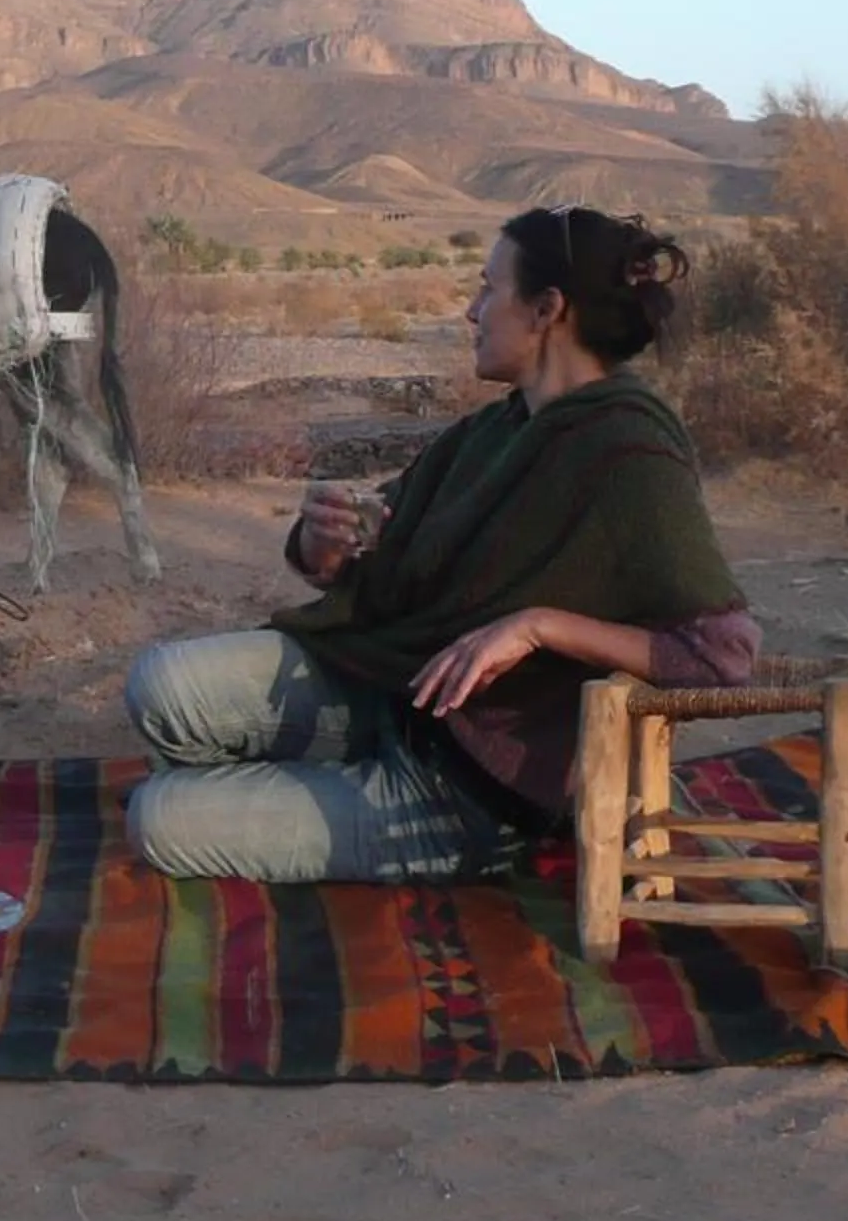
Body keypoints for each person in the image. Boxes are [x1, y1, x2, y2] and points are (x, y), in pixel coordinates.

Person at [124, 205, 760, 883]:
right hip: (397, 692)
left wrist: (539, 626)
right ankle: (306, 778)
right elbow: (379, 548)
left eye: (489, 289)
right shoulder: (499, 430)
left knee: (156, 818)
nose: (471, 310)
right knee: (159, 685)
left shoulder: (631, 452)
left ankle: (342, 806)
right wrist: (325, 545)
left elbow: (723, 656)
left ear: (547, 309)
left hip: (470, 788)